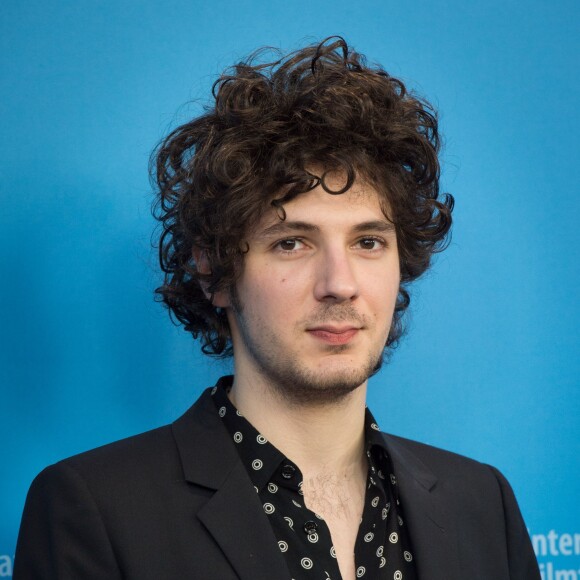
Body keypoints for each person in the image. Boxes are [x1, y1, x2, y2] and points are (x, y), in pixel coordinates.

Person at [14, 37, 540, 580]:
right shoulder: (95, 508)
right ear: (215, 272)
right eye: (292, 242)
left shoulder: (483, 504)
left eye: (368, 242)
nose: (340, 285)